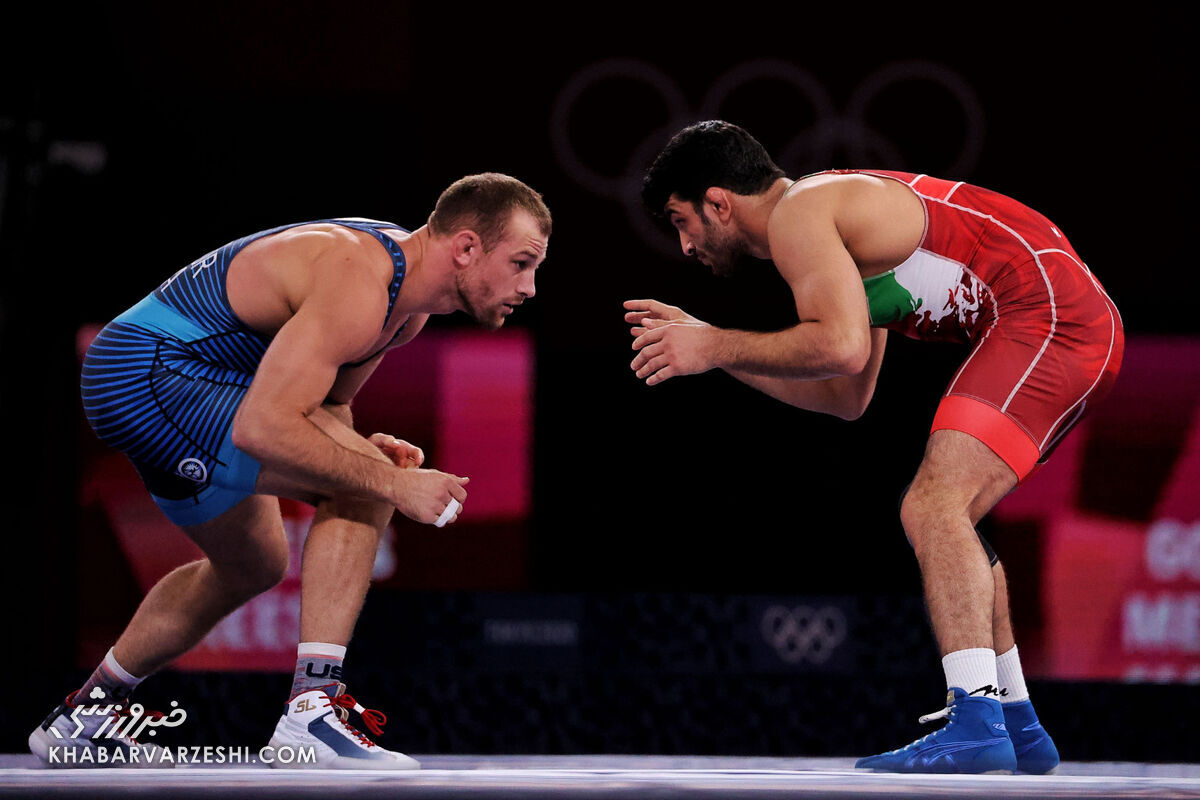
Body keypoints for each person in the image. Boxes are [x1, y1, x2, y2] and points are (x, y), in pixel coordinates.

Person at [626, 121, 1122, 775]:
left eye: (680, 220)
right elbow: (843, 393)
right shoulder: (832, 229)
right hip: (1067, 322)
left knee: (932, 505)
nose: (684, 244)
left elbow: (839, 346)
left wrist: (714, 343)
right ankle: (1018, 724)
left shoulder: (801, 213)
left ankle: (975, 718)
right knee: (953, 517)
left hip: (1051, 318)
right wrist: (716, 355)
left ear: (719, 202)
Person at [31, 172, 552, 770]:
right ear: (465, 247)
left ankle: (86, 715)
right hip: (146, 375)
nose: (530, 286)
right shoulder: (360, 276)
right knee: (367, 488)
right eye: (522, 263)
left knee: (254, 563)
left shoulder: (406, 311)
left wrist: (364, 448)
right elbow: (264, 427)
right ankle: (312, 709)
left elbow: (324, 405)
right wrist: (389, 480)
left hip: (176, 378)